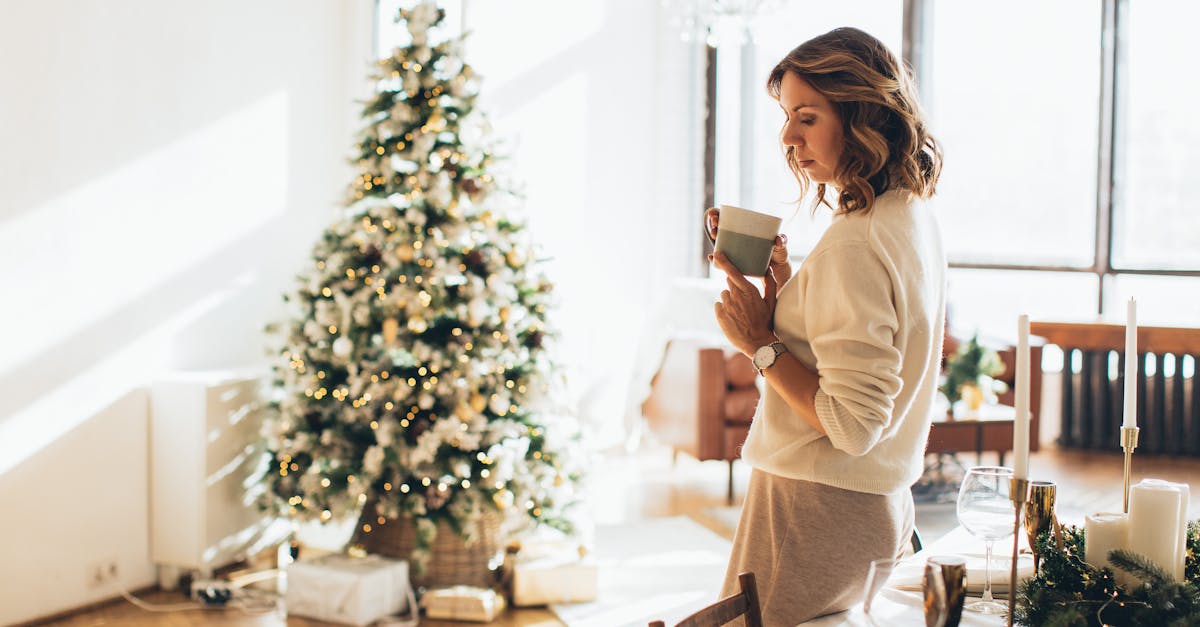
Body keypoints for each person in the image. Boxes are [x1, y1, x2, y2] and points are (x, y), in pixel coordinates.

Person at [705, 26, 945, 624]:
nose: (789, 137)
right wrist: (787, 292)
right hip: (870, 506)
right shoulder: (908, 215)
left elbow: (853, 424)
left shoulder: (856, 242)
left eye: (807, 117)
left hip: (813, 511)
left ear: (862, 115)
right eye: (788, 117)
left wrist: (759, 343)